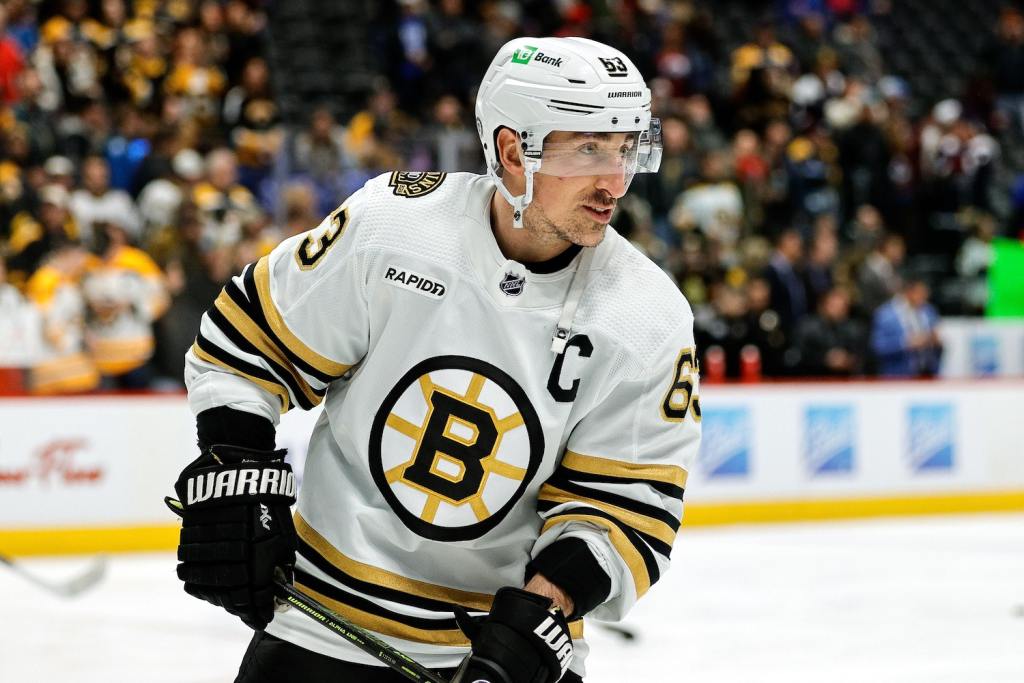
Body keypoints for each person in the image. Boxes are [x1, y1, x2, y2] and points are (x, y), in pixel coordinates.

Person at [167, 36, 702, 683]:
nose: (615, 180)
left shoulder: (646, 315)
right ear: (513, 150)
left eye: (625, 148)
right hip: (324, 623)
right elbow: (250, 342)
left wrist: (541, 612)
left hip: (498, 653)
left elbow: (624, 506)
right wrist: (235, 467)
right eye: (588, 148)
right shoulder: (396, 227)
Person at [870, 277, 943, 378]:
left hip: (926, 373)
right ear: (909, 293)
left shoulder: (929, 311)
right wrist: (906, 343)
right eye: (920, 294)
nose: (924, 297)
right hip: (898, 376)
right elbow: (878, 347)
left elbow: (937, 345)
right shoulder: (885, 314)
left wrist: (935, 342)